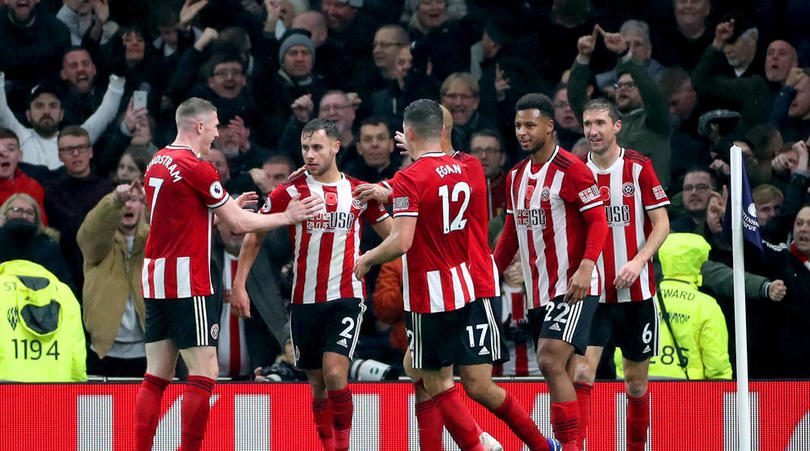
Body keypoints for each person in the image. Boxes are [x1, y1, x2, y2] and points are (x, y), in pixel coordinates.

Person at [134, 97, 322, 451]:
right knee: (205, 372)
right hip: (187, 280)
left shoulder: (156, 161)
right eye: (216, 125)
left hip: (155, 276)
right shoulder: (198, 167)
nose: (218, 133)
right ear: (200, 126)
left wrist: (226, 206)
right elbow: (238, 224)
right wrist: (289, 215)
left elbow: (181, 214)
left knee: (156, 375)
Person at [233, 118, 392, 451]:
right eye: (305, 147)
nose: (309, 154)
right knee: (317, 386)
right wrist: (239, 284)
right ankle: (328, 446)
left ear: (336, 147)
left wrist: (371, 257)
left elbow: (396, 237)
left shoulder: (359, 192)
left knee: (335, 374)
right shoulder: (291, 191)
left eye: (317, 147)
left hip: (346, 297)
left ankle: (344, 446)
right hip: (304, 300)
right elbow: (254, 235)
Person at [354, 99, 495, 451]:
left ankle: (478, 442)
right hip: (464, 286)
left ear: (409, 134)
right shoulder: (467, 167)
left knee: (435, 380)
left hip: (430, 293)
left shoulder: (410, 177)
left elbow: (401, 240)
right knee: (416, 367)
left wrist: (368, 258)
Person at [492, 93, 608, 451]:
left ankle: (566, 446)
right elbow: (510, 234)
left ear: (549, 126)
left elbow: (598, 222)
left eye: (529, 125)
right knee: (567, 371)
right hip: (538, 291)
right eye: (517, 126)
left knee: (547, 359)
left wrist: (586, 268)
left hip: (573, 286)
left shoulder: (573, 170)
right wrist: (487, 276)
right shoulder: (515, 177)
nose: (522, 132)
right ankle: (576, 442)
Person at [572, 99, 671, 451]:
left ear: (617, 127)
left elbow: (662, 224)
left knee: (635, 383)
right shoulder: (576, 173)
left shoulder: (638, 168)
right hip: (593, 294)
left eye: (600, 123)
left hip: (636, 293)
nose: (592, 131)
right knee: (583, 372)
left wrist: (638, 261)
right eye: (587, 124)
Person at [78, 181, 148, 377]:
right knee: (99, 409)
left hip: (150, 352)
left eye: (134, 200)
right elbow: (91, 231)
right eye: (124, 201)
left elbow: (172, 231)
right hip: (102, 352)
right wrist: (114, 201)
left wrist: (152, 201)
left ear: (142, 206)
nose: (128, 205)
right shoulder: (97, 245)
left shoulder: (153, 240)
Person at [640, 233, 733, 380]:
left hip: (640, 387)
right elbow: (717, 363)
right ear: (699, 262)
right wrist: (721, 387)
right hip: (687, 392)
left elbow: (622, 353)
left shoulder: (643, 299)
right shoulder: (706, 306)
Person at [0, 72, 125, 170]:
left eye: (53, 106)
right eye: (39, 106)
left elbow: (105, 114)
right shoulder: (19, 137)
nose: (46, 111)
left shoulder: (75, 139)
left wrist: (117, 79)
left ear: (61, 114)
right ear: (28, 115)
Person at [44, 125, 113, 293]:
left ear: (90, 152)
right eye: (68, 150)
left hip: (102, 267)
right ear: (60, 156)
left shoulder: (108, 189)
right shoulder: (51, 191)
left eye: (81, 148)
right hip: (64, 269)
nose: (76, 154)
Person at [0, 259, 85, 382]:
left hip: (7, 396)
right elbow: (77, 356)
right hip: (56, 395)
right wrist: (76, 389)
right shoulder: (65, 294)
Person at [0, 193, 72, 288]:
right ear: (4, 213)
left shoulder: (48, 248)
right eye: (17, 210)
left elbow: (65, 285)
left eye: (29, 212)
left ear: (36, 218)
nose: (24, 216)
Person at [0, 128, 47, 216]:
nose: (4, 155)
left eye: (11, 149)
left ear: (19, 155)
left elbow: (40, 226)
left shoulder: (33, 187)